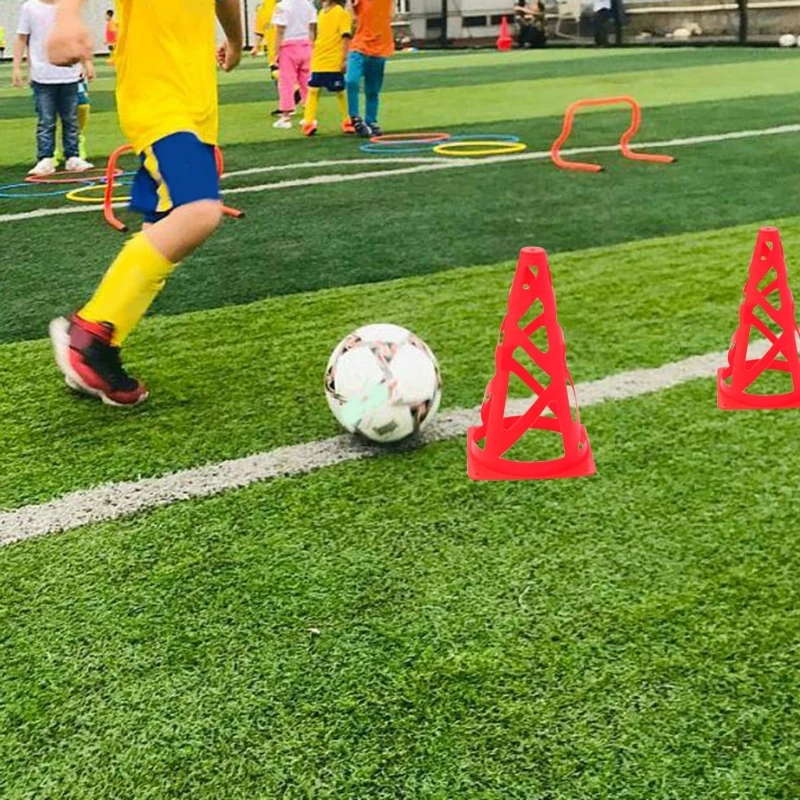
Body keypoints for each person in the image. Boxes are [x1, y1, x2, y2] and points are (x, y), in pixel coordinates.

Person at [47, 0, 243, 407]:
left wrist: (236, 40)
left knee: (165, 227)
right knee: (199, 211)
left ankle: (98, 350)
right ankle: (90, 336)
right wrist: (67, 16)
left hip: (197, 110)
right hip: (159, 103)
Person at [12, 0, 94, 176]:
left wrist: (87, 62)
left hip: (70, 75)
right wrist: (17, 67)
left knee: (70, 120)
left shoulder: (68, 6)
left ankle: (73, 157)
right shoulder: (30, 7)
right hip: (42, 76)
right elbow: (21, 38)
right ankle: (45, 159)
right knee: (46, 121)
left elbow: (78, 35)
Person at [302, 0, 353, 137]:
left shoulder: (341, 13)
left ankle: (347, 121)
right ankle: (308, 123)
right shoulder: (321, 13)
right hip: (319, 59)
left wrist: (344, 59)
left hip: (333, 60)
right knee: (313, 90)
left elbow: (346, 37)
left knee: (340, 91)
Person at [345, 0, 394, 138]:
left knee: (373, 89)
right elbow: (350, 15)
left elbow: (392, 14)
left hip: (380, 46)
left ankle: (371, 121)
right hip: (360, 45)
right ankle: (355, 117)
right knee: (351, 81)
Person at [271, 0, 315, 130]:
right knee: (306, 82)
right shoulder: (308, 4)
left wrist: (276, 52)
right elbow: (311, 29)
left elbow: (280, 31)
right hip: (306, 45)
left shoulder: (282, 6)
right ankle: (309, 115)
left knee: (286, 82)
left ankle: (286, 117)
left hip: (288, 47)